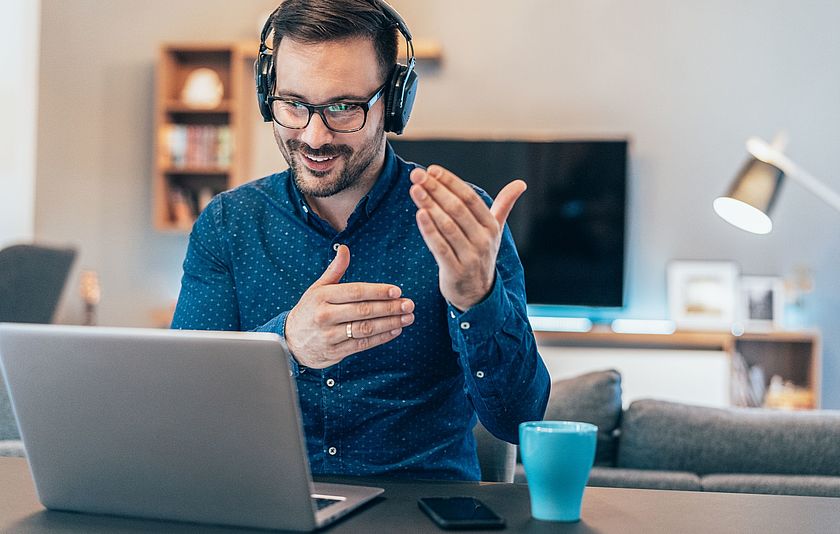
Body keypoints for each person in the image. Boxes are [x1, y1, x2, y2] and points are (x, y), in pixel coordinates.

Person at [172, 0, 549, 481]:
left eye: (342, 107)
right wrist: (285, 344)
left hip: (417, 513)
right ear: (269, 93)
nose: (313, 135)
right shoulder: (228, 224)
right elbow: (186, 405)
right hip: (269, 504)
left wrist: (478, 298)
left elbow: (520, 420)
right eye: (293, 104)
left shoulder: (463, 222)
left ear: (393, 101)